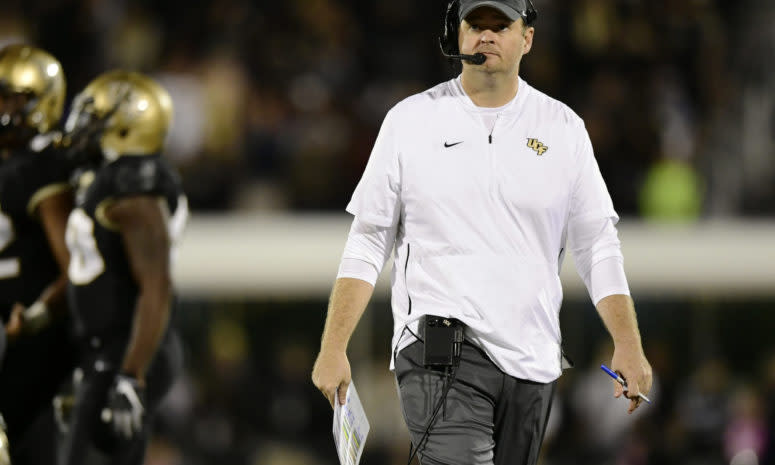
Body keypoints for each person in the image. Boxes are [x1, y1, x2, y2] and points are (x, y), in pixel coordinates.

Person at [312, 1, 653, 464]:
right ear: (457, 35)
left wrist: (628, 343)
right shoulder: (410, 121)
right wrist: (334, 346)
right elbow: (368, 239)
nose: (486, 36)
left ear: (527, 38)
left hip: (533, 357)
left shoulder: (563, 128)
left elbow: (597, 244)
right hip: (439, 350)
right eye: (476, 25)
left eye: (501, 26)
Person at [59, 70, 186, 465]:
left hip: (126, 350)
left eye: (97, 119)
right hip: (106, 348)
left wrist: (131, 373)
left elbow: (156, 285)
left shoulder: (135, 187)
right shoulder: (107, 177)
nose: (83, 127)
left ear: (129, 128)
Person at [0, 44, 78, 465]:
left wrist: (37, 316)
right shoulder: (15, 162)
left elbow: (74, 266)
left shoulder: (45, 163)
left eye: (14, 98)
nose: (4, 109)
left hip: (30, 334)